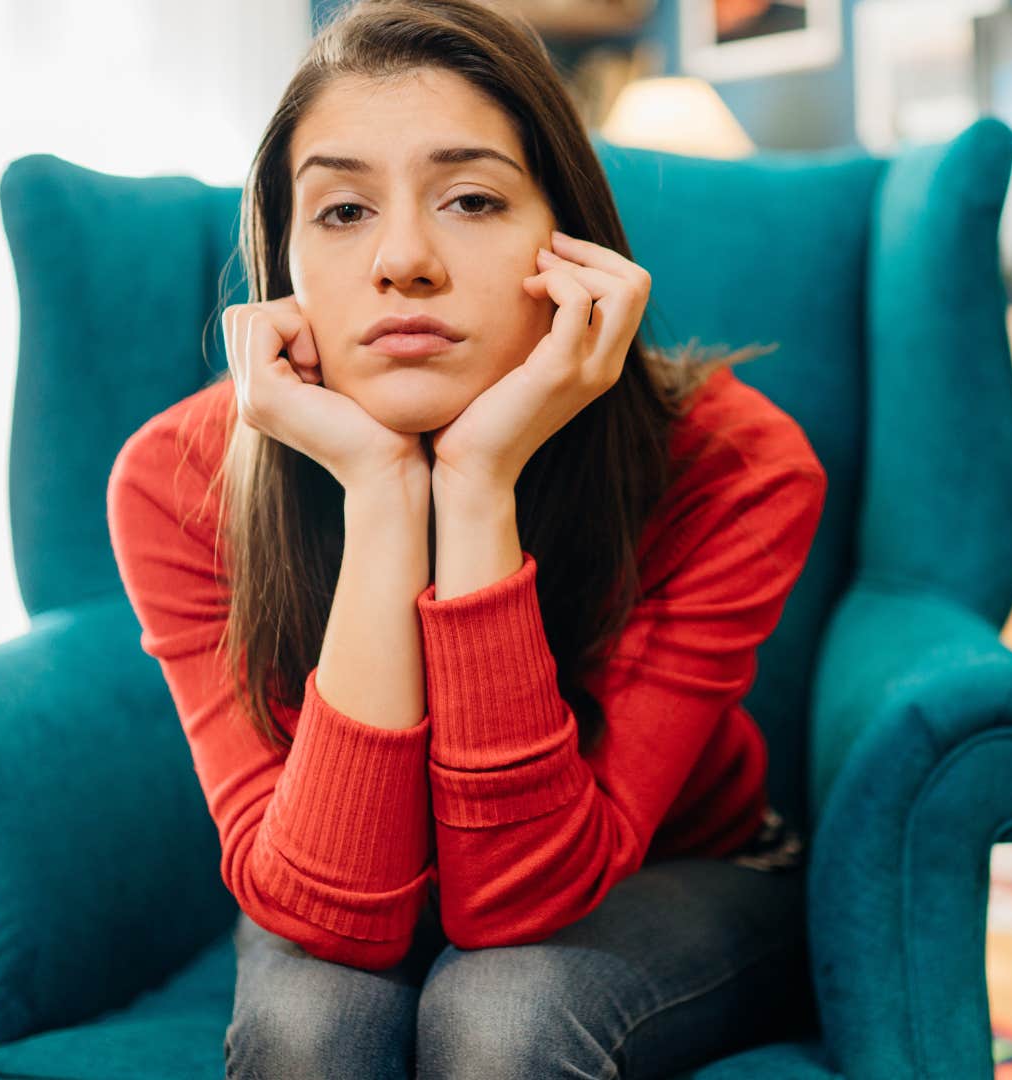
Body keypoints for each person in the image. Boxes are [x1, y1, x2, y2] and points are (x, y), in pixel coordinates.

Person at [104, 1, 826, 1076]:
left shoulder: (733, 462)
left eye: (474, 198)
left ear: (570, 243)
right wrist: (384, 491)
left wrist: (480, 480)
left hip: (673, 870)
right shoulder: (177, 478)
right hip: (335, 862)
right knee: (307, 1032)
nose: (404, 260)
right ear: (284, 260)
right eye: (342, 211)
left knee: (503, 1018)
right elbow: (332, 913)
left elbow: (520, 902)